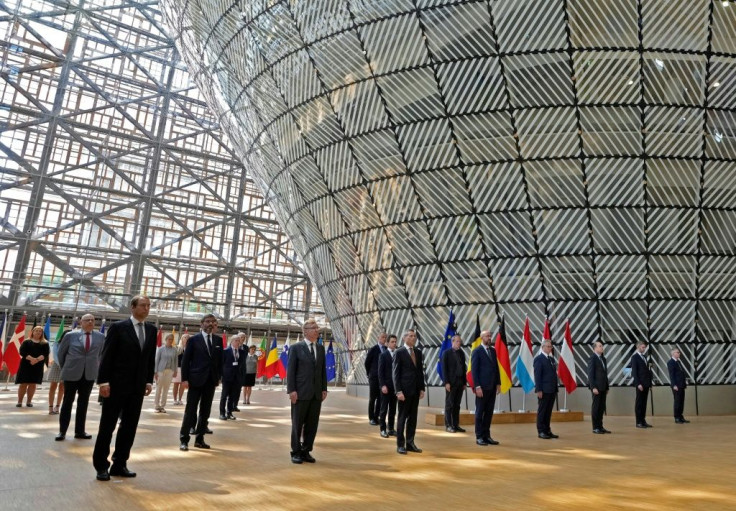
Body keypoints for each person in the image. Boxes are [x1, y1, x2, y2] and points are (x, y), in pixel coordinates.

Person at [93, 295, 157, 481]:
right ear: (133, 307)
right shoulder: (118, 328)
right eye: (143, 305)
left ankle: (120, 463)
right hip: (116, 386)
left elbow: (149, 358)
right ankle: (101, 466)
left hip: (137, 387)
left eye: (149, 306)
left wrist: (148, 380)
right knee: (107, 426)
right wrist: (103, 382)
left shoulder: (151, 330)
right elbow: (107, 356)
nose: (147, 308)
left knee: (129, 427)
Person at [56, 314, 104, 441]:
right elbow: (61, 354)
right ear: (80, 322)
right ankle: (62, 431)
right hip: (71, 373)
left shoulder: (100, 337)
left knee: (83, 403)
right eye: (87, 320)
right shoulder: (70, 335)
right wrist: (66, 367)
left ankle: (80, 431)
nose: (90, 322)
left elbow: (100, 355)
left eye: (93, 320)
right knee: (67, 402)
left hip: (88, 375)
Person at [179, 314, 222, 451]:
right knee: (190, 410)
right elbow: (186, 361)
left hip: (210, 381)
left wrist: (218, 377)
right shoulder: (193, 340)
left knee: (205, 411)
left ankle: (200, 439)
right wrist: (184, 379)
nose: (210, 323)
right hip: (195, 380)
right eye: (207, 321)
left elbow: (219, 361)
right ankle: (184, 439)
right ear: (201, 324)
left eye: (212, 321)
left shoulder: (218, 340)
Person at [287, 319, 328, 464]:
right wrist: (291, 390)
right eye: (314, 327)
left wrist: (324, 388)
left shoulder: (321, 348)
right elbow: (290, 371)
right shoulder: (296, 348)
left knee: (312, 424)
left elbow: (322, 371)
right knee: (297, 424)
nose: (317, 330)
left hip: (316, 394)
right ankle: (295, 451)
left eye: (317, 327)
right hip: (300, 392)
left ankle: (306, 451)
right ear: (305, 331)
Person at [392, 329, 425, 455]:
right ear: (404, 338)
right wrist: (398, 391)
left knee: (413, 419)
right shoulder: (399, 352)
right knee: (402, 418)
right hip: (404, 392)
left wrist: (422, 388)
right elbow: (395, 374)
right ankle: (400, 444)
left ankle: (410, 443)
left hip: (415, 391)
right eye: (411, 336)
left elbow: (420, 372)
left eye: (415, 336)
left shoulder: (418, 352)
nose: (413, 338)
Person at [470, 330, 501, 446]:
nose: (489, 337)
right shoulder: (477, 351)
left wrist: (498, 383)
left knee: (489, 412)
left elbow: (496, 368)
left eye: (490, 336)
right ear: (482, 338)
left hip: (492, 386)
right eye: (487, 336)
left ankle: (487, 435)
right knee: (480, 412)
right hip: (482, 387)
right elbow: (474, 371)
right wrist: (477, 386)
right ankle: (479, 436)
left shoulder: (493, 351)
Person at [15, 325, 50, 408]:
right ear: (32, 332)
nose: (38, 332)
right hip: (25, 365)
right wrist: (32, 359)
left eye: (40, 331)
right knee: (23, 384)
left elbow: (45, 354)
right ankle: (19, 402)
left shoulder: (45, 343)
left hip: (37, 366)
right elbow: (22, 352)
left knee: (33, 384)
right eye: (36, 330)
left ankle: (29, 401)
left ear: (42, 333)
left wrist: (36, 360)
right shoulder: (26, 341)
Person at [440, 334, 467, 433]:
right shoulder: (446, 353)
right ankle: (448, 425)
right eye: (457, 341)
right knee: (449, 404)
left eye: (460, 341)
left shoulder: (461, 353)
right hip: (451, 383)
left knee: (457, 404)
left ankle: (456, 425)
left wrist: (464, 382)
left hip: (460, 382)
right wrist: (446, 382)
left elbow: (463, 368)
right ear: (452, 342)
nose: (459, 343)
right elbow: (444, 369)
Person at [533, 339, 559, 439]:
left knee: (548, 411)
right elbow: (538, 376)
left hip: (552, 389)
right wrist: (539, 389)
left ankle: (547, 430)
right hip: (543, 390)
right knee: (542, 411)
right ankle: (541, 431)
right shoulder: (539, 359)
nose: (550, 348)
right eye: (548, 346)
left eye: (550, 347)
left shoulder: (551, 359)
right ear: (542, 347)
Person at [587, 340, 611, 434]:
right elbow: (590, 374)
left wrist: (607, 386)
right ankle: (595, 427)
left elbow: (605, 374)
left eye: (602, 346)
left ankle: (600, 426)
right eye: (600, 346)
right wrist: (593, 387)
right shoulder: (592, 358)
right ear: (595, 348)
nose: (602, 347)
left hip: (603, 387)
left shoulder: (603, 359)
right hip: (596, 387)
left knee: (601, 407)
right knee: (596, 407)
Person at [364, 332, 387, 426]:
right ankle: (371, 418)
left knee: (380, 398)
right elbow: (367, 363)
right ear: (378, 338)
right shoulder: (373, 349)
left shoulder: (386, 349)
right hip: (374, 377)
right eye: (382, 337)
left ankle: (377, 416)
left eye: (385, 337)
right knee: (373, 398)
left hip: (383, 379)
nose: (384, 339)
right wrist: (369, 373)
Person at [378, 334, 398, 438]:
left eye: (395, 342)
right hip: (386, 387)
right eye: (392, 342)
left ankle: (391, 428)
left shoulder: (398, 354)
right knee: (384, 409)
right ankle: (382, 429)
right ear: (387, 343)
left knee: (393, 409)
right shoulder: (383, 355)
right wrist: (382, 385)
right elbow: (380, 372)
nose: (394, 344)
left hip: (395, 388)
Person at [220, 333, 244, 420]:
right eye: (236, 341)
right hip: (227, 377)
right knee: (224, 396)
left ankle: (229, 412)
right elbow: (221, 364)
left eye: (239, 341)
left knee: (232, 396)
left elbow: (241, 365)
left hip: (236, 378)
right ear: (232, 342)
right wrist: (221, 377)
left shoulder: (242, 352)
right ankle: (222, 413)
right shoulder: (226, 351)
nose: (238, 342)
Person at [631, 340, 653, 428]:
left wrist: (649, 383)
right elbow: (634, 372)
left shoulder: (644, 357)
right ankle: (638, 422)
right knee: (639, 403)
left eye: (645, 347)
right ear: (638, 347)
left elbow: (647, 372)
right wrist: (638, 383)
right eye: (643, 347)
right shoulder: (634, 357)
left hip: (646, 383)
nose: (644, 349)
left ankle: (643, 420)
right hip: (640, 384)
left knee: (644, 403)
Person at [154, 333, 178, 413]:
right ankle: (157, 406)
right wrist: (155, 372)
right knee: (159, 389)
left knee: (166, 389)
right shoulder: (160, 349)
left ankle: (162, 406)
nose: (170, 341)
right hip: (161, 371)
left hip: (170, 371)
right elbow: (157, 361)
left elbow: (175, 361)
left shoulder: (174, 350)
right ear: (166, 340)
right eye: (169, 339)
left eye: (172, 339)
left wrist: (175, 371)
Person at [667, 348, 689, 424]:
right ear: (673, 353)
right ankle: (677, 417)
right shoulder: (671, 362)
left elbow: (681, 373)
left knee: (681, 401)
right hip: (676, 385)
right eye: (678, 352)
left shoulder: (678, 361)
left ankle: (680, 416)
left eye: (679, 352)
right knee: (677, 402)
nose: (679, 353)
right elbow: (671, 375)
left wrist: (684, 382)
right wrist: (674, 385)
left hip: (681, 384)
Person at [47, 330, 66, 415]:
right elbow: (55, 355)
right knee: (52, 386)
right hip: (57, 366)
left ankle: (57, 406)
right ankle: (50, 407)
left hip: (66, 367)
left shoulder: (72, 344)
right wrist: (62, 365)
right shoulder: (56, 343)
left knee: (62, 387)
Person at [172, 333, 189, 406]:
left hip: (185, 369)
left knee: (182, 385)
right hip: (177, 368)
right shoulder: (177, 348)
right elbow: (174, 359)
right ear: (181, 339)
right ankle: (175, 399)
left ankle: (180, 399)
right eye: (185, 337)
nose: (186, 338)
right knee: (176, 385)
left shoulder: (190, 348)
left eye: (187, 337)